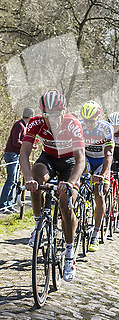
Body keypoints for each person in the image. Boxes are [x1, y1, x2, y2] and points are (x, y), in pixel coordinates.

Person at [20, 89, 85, 282]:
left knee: (66, 205)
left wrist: (71, 183)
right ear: (43, 113)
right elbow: (24, 153)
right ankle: (39, 222)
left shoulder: (72, 124)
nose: (53, 120)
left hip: (70, 163)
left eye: (57, 115)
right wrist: (27, 178)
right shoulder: (36, 122)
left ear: (63, 111)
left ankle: (69, 253)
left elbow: (81, 160)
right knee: (37, 174)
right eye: (49, 115)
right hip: (48, 158)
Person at [80, 100, 114, 252]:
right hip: (86, 158)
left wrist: (104, 174)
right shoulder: (80, 126)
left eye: (91, 121)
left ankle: (95, 233)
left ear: (98, 118)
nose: (88, 124)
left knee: (100, 193)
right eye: (86, 121)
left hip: (101, 160)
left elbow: (109, 154)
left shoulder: (106, 129)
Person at [0, 107, 34, 213]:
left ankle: (9, 204)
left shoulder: (24, 126)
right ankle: (3, 205)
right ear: (30, 116)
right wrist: (27, 145)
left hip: (17, 155)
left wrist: (30, 144)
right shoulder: (19, 125)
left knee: (14, 181)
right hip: (11, 154)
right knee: (10, 180)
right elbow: (16, 142)